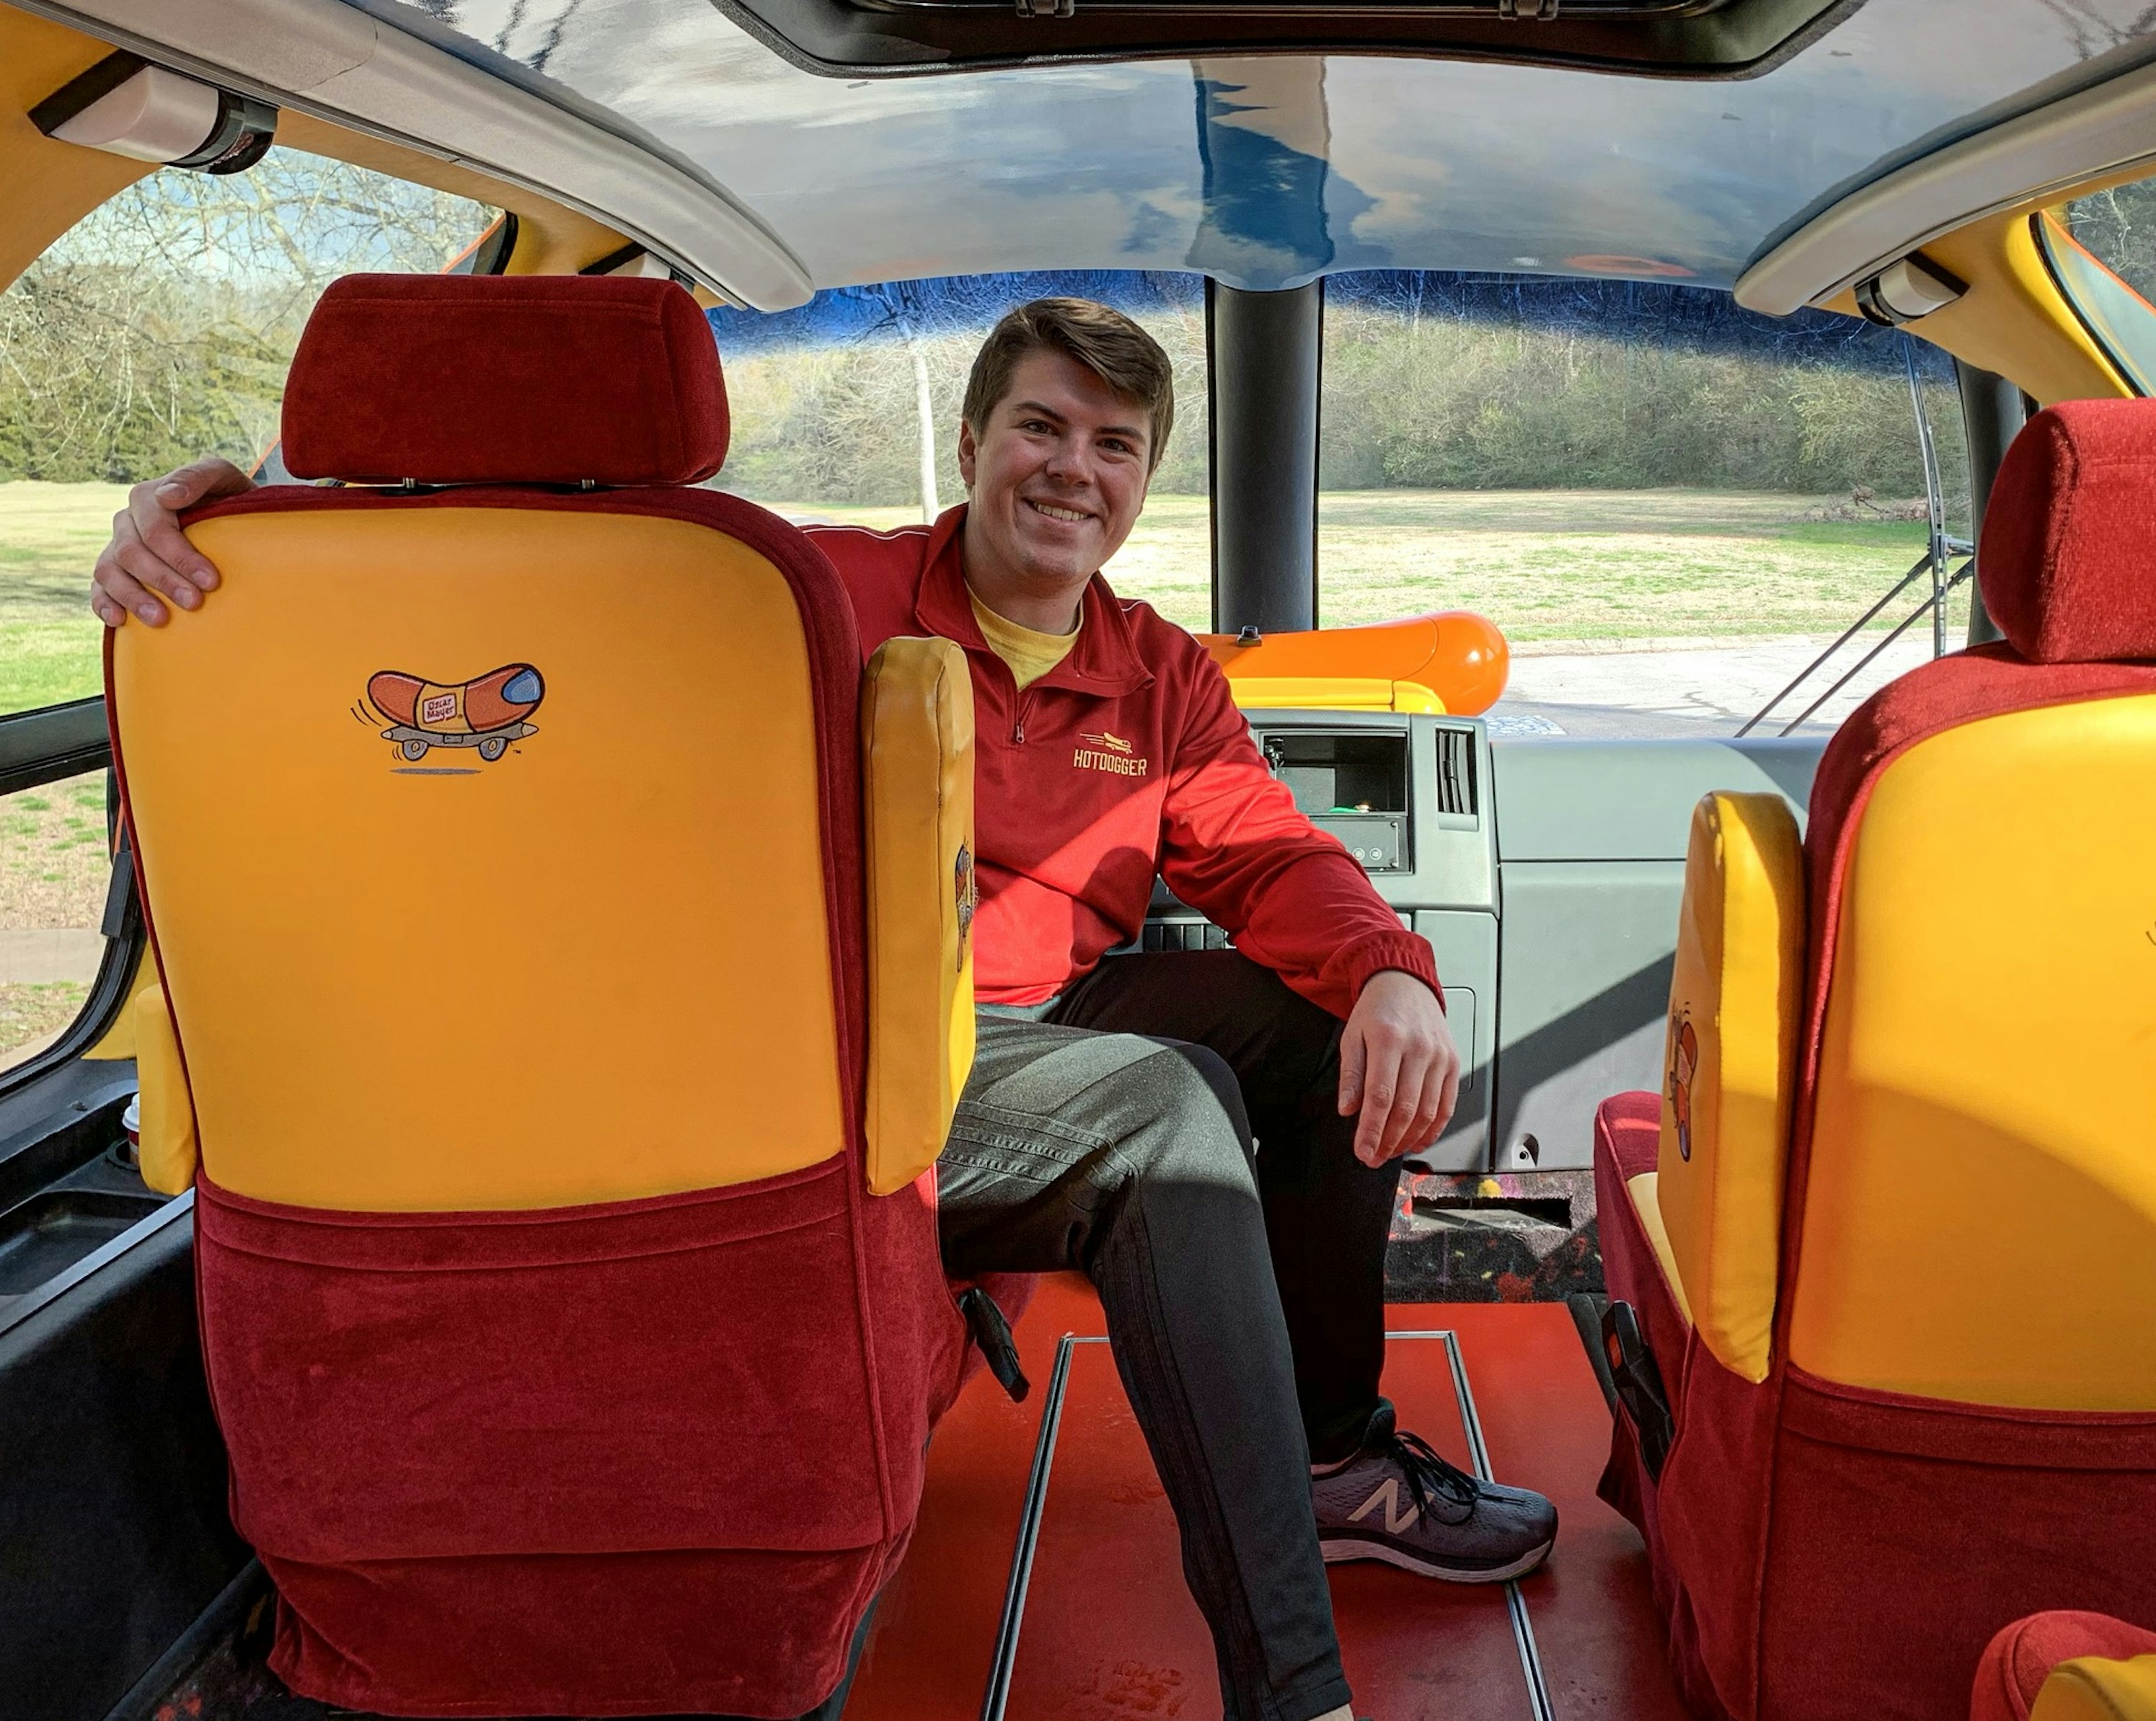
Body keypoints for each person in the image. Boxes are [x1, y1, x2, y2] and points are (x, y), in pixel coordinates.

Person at [92, 294, 1558, 1721]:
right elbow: (520, 607)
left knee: (1315, 1041)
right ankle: (1295, 1693)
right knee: (1169, 1108)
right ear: (976, 442)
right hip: (849, 1050)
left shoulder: (1161, 672)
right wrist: (230, 508)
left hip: (1054, 1000)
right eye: (1041, 427)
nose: (1073, 468)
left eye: (1114, 447)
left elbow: (1267, 850)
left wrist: (1383, 972)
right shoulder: (805, 597)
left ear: (1141, 486)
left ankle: (1329, 1461)